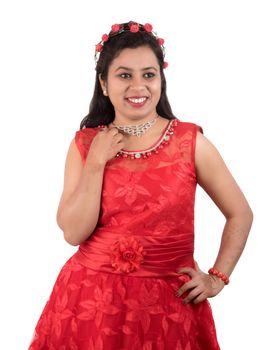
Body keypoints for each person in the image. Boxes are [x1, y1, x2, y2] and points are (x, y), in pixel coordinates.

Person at [28, 21, 253, 349]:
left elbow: (240, 213)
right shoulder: (86, 144)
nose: (138, 86)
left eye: (148, 74)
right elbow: (74, 234)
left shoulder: (191, 142)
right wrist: (96, 161)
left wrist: (217, 277)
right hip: (90, 302)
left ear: (161, 79)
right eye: (124, 75)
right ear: (104, 83)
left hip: (166, 305)